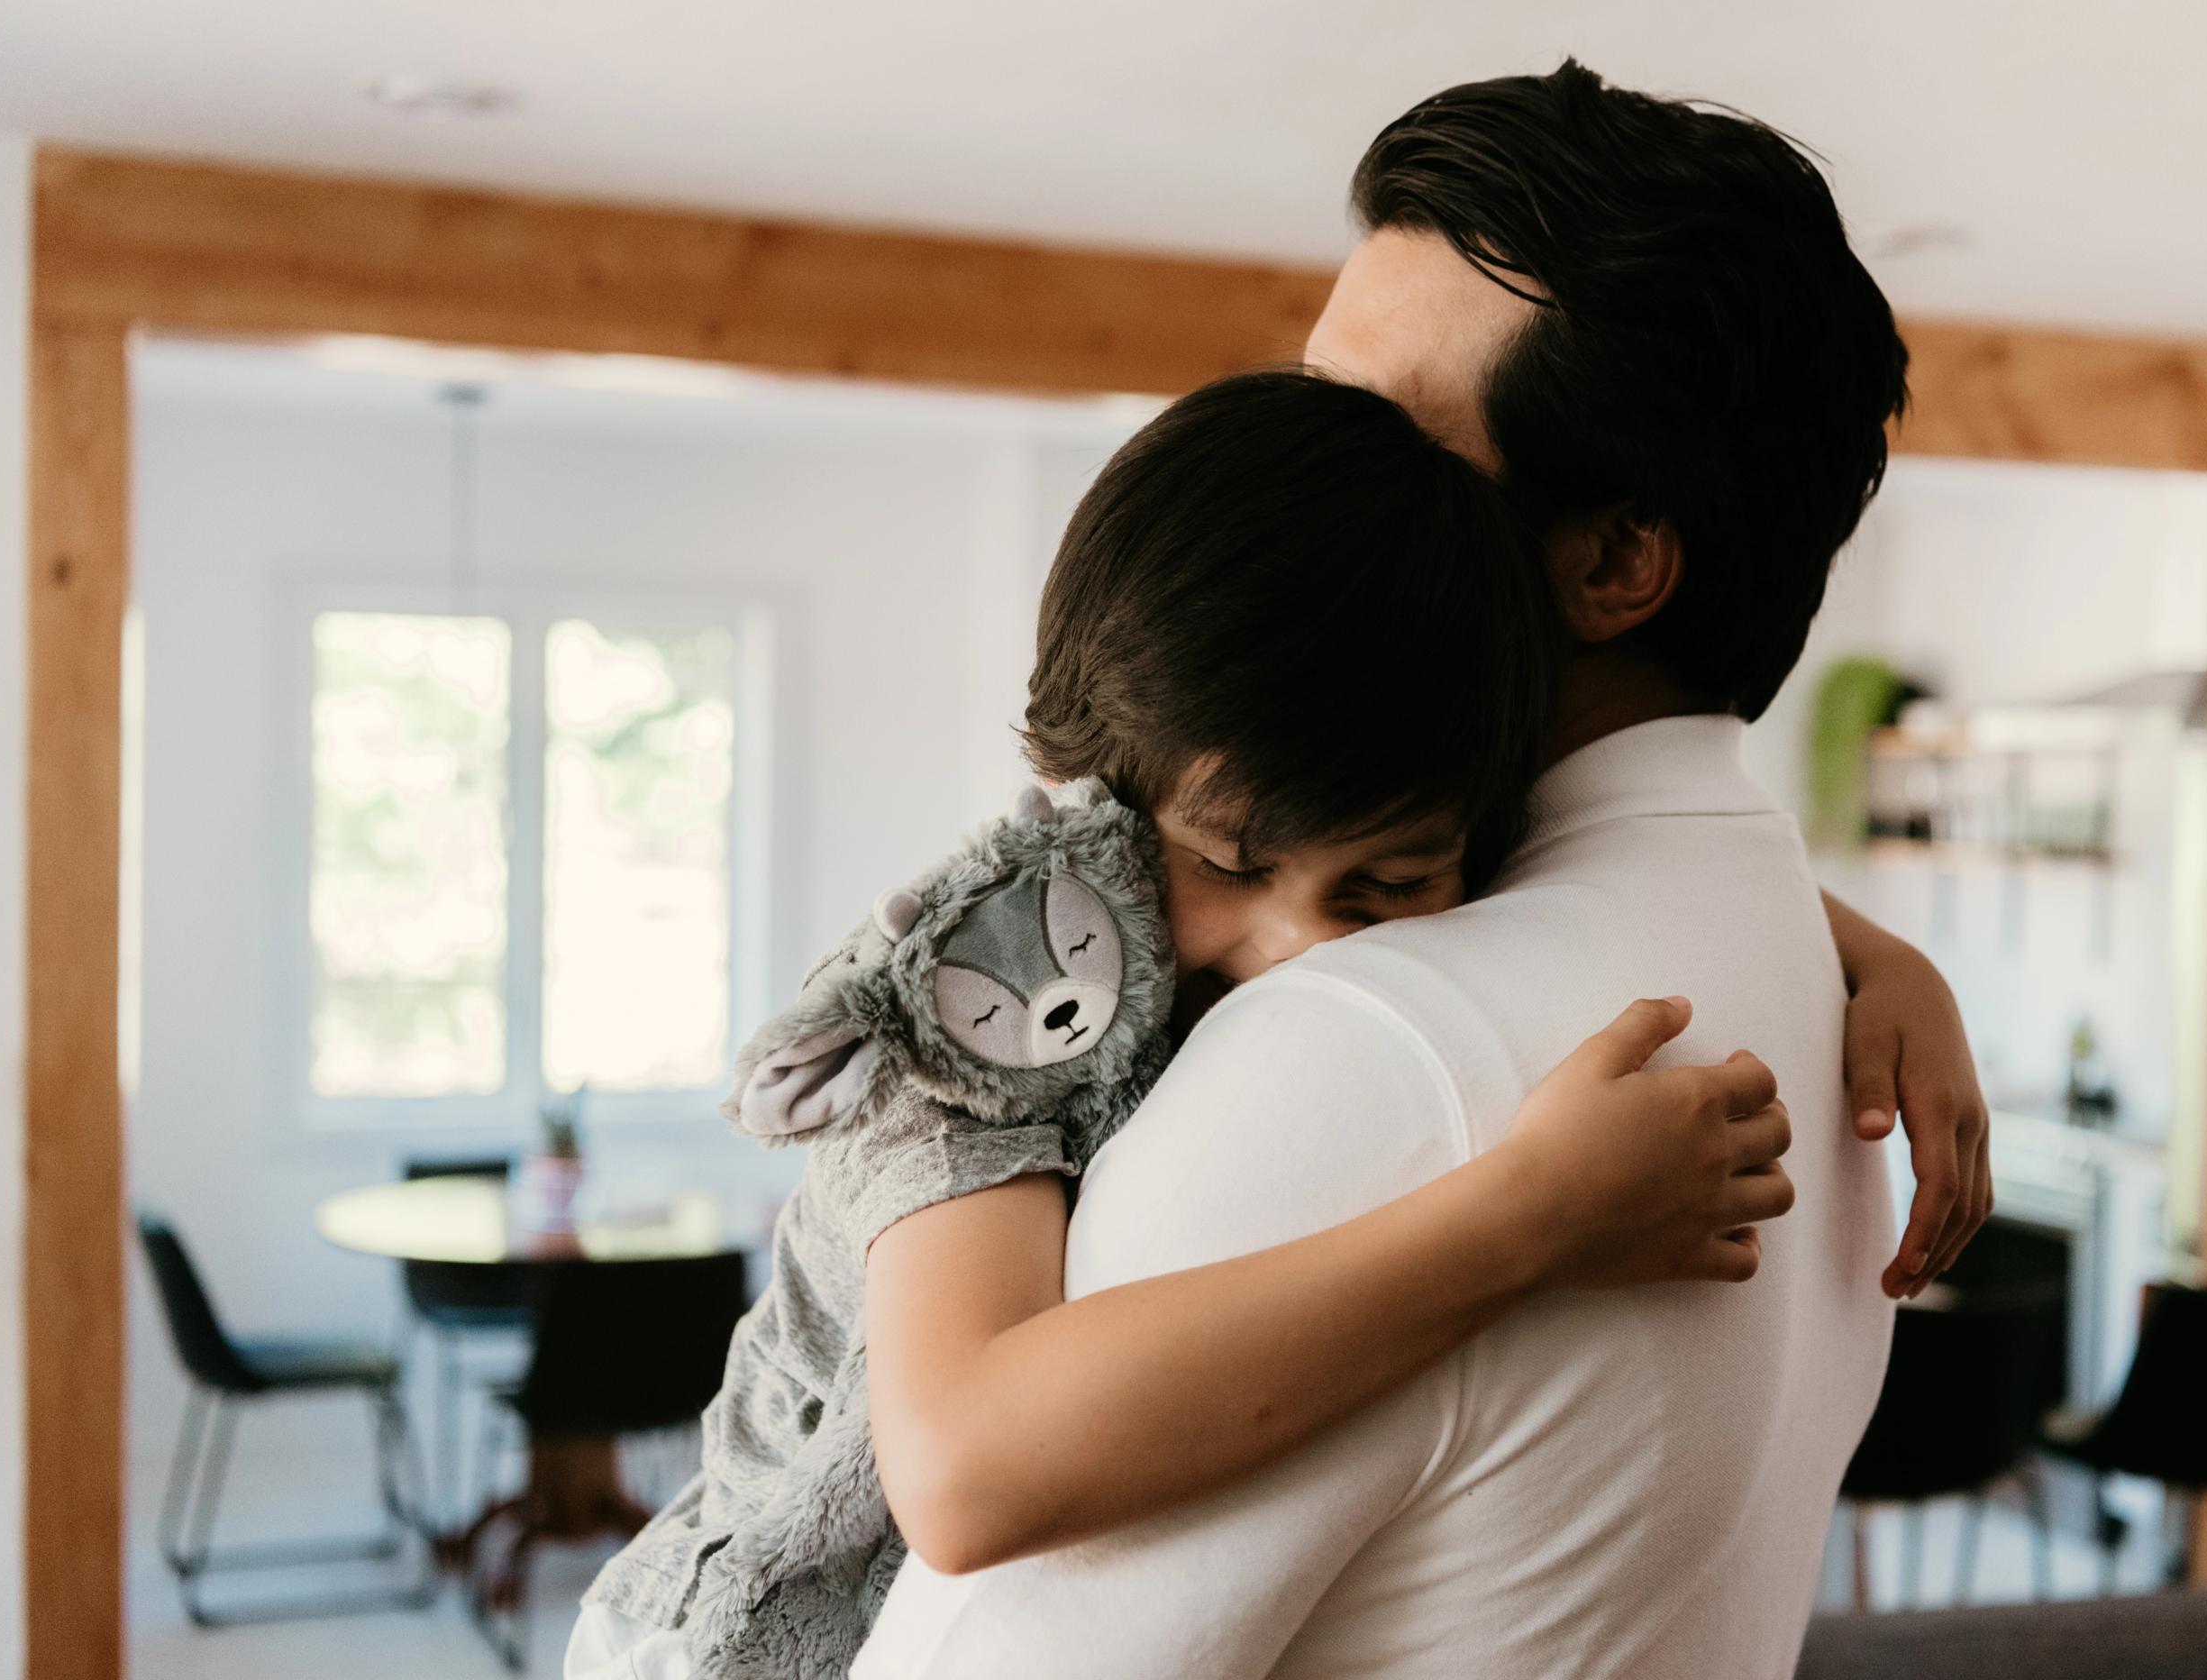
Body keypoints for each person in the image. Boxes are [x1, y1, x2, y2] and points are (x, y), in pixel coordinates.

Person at [851, 62, 1985, 1680]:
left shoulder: (1372, 1048)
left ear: (1610, 563)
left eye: (1377, 433)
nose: (1291, 479)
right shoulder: (1795, 1001)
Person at [568, 368, 1956, 1679]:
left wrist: (1876, 959)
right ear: (1084, 784)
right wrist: (1525, 1218)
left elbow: (1638, 870)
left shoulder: (1329, 849)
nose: (1296, 947)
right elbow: (964, 1472)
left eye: (1388, 886)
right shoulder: (981, 1012)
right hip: (736, 1640)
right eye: (1231, 866)